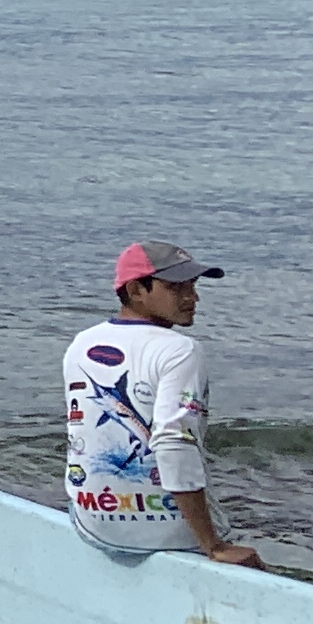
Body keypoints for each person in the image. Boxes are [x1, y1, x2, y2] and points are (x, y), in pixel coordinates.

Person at [63, 239, 258, 569]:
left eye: (192, 286)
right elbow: (174, 442)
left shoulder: (82, 343)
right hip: (166, 531)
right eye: (175, 287)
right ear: (136, 290)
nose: (192, 298)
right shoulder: (180, 350)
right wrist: (213, 545)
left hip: (93, 524)